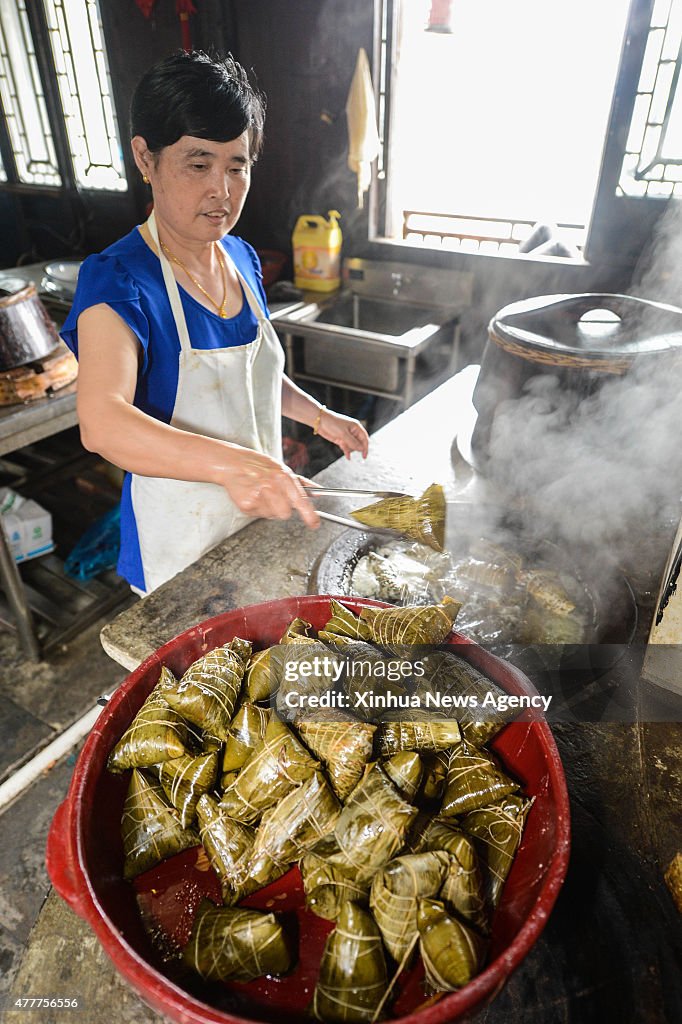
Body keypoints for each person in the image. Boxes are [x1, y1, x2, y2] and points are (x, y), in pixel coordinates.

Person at [61, 50, 369, 595]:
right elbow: (102, 422)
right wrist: (234, 466)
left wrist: (318, 417)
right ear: (145, 158)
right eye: (198, 164)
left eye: (237, 165)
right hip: (180, 547)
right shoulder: (117, 280)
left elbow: (249, 375)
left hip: (257, 525)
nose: (221, 191)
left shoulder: (242, 260)